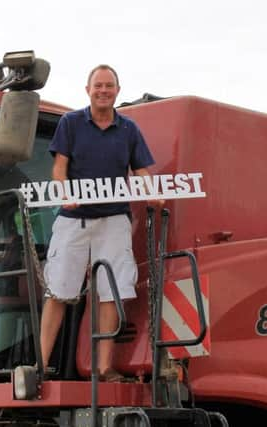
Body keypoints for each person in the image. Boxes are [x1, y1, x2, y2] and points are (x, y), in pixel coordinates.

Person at [40, 64, 159, 382]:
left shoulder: (129, 130)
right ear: (87, 90)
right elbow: (59, 167)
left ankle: (103, 368)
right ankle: (39, 365)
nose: (103, 91)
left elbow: (142, 171)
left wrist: (154, 192)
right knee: (58, 290)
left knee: (110, 292)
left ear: (117, 92)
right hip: (74, 220)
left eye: (109, 86)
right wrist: (64, 193)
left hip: (114, 220)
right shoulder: (71, 123)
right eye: (98, 86)